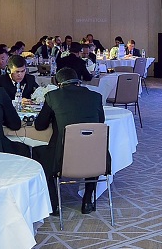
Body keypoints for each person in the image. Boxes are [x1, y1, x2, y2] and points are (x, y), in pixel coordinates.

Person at [35, 68, 107, 214]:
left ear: (58, 83)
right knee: (91, 149)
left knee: (39, 152)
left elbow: (40, 125)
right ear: (78, 81)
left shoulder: (53, 96)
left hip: (62, 157)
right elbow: (100, 122)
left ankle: (54, 205)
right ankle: (87, 200)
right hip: (95, 159)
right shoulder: (96, 96)